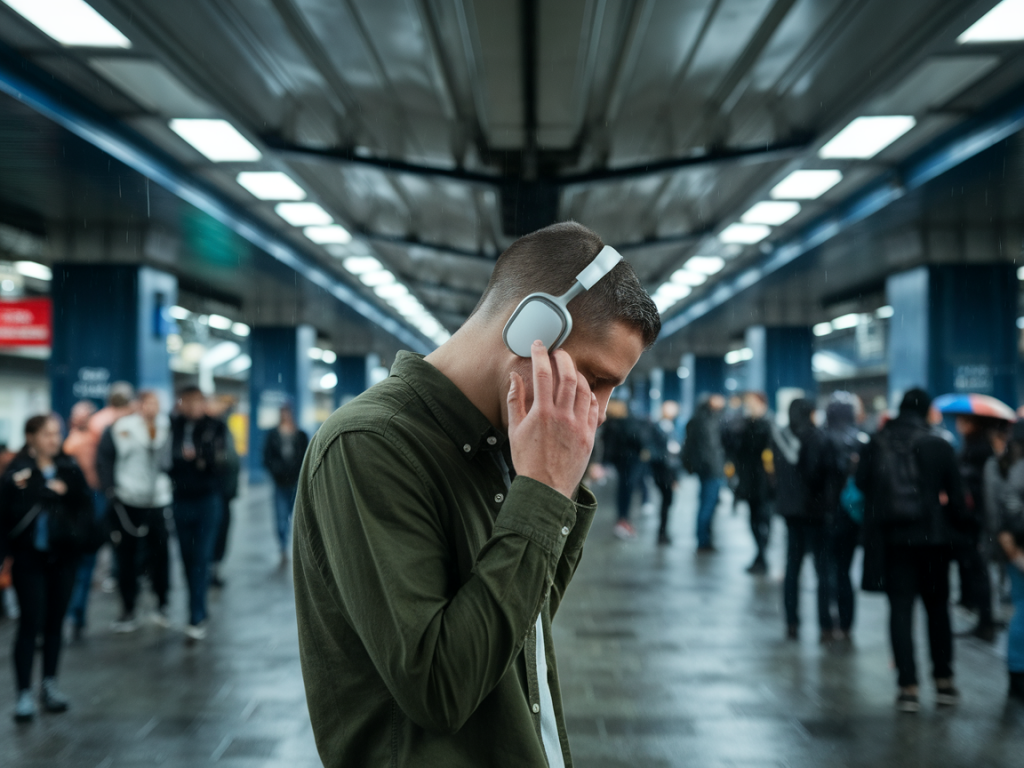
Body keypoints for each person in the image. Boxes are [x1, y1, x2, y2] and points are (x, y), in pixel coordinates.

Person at [292, 222, 658, 766]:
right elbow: (440, 689)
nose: (600, 410)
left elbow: (518, 632)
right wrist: (542, 489)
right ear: (532, 328)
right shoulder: (369, 444)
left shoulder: (501, 444)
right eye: (595, 378)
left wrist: (549, 484)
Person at [857, 388, 966, 713]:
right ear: (927, 410)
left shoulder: (877, 442)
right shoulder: (939, 444)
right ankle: (944, 682)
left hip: (893, 540)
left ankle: (908, 688)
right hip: (933, 541)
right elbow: (957, 499)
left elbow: (862, 483)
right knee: (937, 609)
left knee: (901, 612)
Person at [0, 414, 92, 722]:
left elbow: (86, 507)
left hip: (63, 557)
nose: (54, 439)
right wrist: (42, 491)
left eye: (57, 433)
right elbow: (7, 513)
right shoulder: (17, 472)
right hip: (30, 559)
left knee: (55, 624)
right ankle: (23, 693)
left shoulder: (69, 467)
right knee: (30, 622)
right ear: (31, 437)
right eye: (48, 434)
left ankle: (49, 684)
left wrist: (67, 493)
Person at [96, 390, 172, 631]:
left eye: (156, 403)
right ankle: (128, 608)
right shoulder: (121, 428)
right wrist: (110, 490)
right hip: (128, 500)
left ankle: (162, 602)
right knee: (126, 557)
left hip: (158, 500)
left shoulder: (167, 426)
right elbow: (105, 459)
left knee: (161, 555)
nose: (152, 408)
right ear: (139, 405)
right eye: (147, 403)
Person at [64, 386, 134, 637]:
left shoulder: (89, 433)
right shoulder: (89, 436)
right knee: (93, 555)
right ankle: (79, 613)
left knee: (91, 558)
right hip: (98, 499)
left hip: (103, 497)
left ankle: (79, 614)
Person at [169, 386, 228, 641]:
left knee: (202, 558)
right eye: (187, 401)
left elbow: (219, 462)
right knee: (186, 557)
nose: (192, 406)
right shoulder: (172, 426)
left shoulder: (215, 427)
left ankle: (196, 613)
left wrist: (199, 458)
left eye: (197, 401)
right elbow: (168, 460)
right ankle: (196, 606)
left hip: (207, 500)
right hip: (180, 500)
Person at [773, 398, 830, 641]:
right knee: (822, 569)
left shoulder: (780, 436)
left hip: (789, 510)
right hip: (814, 512)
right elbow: (817, 474)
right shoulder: (816, 436)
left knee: (792, 567)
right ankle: (825, 623)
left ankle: (791, 622)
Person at [821, 393, 867, 641]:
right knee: (845, 571)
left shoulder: (823, 438)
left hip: (826, 513)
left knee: (826, 568)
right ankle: (847, 621)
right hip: (851, 515)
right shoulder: (861, 441)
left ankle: (827, 620)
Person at [952, 414, 999, 642]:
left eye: (963, 421)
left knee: (979, 570)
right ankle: (985, 619)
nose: (958, 424)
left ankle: (986, 621)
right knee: (978, 570)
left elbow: (977, 485)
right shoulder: (975, 447)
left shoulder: (978, 449)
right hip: (975, 518)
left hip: (976, 520)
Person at [262, 405, 309, 565]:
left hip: (296, 482)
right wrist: (276, 470)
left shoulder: (300, 435)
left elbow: (305, 456)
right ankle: (283, 546)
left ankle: (296, 545)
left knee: (296, 515)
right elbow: (266, 457)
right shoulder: (273, 435)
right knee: (281, 515)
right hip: (279, 482)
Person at [998, 421, 1024, 700]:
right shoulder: (1019, 469)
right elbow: (1011, 511)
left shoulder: (1006, 465)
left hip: (1013, 547)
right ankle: (1017, 670)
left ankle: (1017, 670)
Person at [734, 392, 774, 574]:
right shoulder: (745, 424)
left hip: (764, 483)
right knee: (753, 520)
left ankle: (762, 557)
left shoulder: (768, 425)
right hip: (749, 482)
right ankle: (760, 556)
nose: (748, 406)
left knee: (763, 520)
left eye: (751, 403)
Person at [682, 394, 726, 552]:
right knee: (708, 505)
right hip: (711, 470)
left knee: (706, 505)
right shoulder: (707, 421)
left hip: (706, 469)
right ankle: (703, 540)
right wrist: (714, 468)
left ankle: (704, 539)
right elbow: (710, 449)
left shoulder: (699, 419)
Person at [600, 399, 648, 539]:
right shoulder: (627, 422)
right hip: (630, 461)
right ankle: (623, 521)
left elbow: (608, 446)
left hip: (622, 462)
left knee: (625, 491)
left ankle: (623, 521)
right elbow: (638, 439)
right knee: (626, 491)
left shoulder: (612, 423)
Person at [647, 401, 681, 545]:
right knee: (666, 501)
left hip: (669, 470)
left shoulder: (670, 427)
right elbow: (656, 451)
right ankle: (662, 533)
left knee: (668, 502)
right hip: (664, 471)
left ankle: (663, 531)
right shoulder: (658, 427)